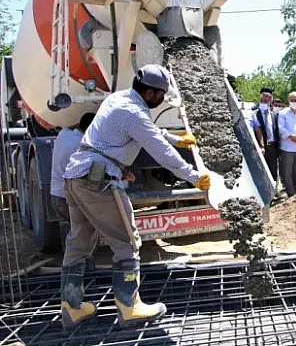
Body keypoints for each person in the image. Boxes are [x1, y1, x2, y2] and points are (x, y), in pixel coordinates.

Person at [60, 64, 211, 330]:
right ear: (151, 93)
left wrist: (176, 138)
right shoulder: (133, 113)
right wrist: (194, 177)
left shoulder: (119, 99)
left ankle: (73, 308)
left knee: (79, 242)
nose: (163, 98)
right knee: (127, 242)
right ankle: (130, 308)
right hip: (98, 181)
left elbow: (147, 131)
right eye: (162, 94)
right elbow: (158, 150)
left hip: (76, 177)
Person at [50, 113, 96, 250]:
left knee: (70, 233)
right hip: (70, 199)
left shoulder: (63, 135)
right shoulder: (84, 146)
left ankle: (70, 265)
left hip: (56, 196)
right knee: (86, 235)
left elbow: (70, 125)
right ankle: (85, 267)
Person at [251, 89, 279, 184]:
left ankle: (274, 192)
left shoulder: (274, 115)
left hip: (272, 147)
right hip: (260, 148)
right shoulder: (253, 114)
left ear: (270, 102)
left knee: (273, 171)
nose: (263, 103)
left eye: (266, 101)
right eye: (262, 101)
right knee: (261, 171)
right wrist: (260, 145)